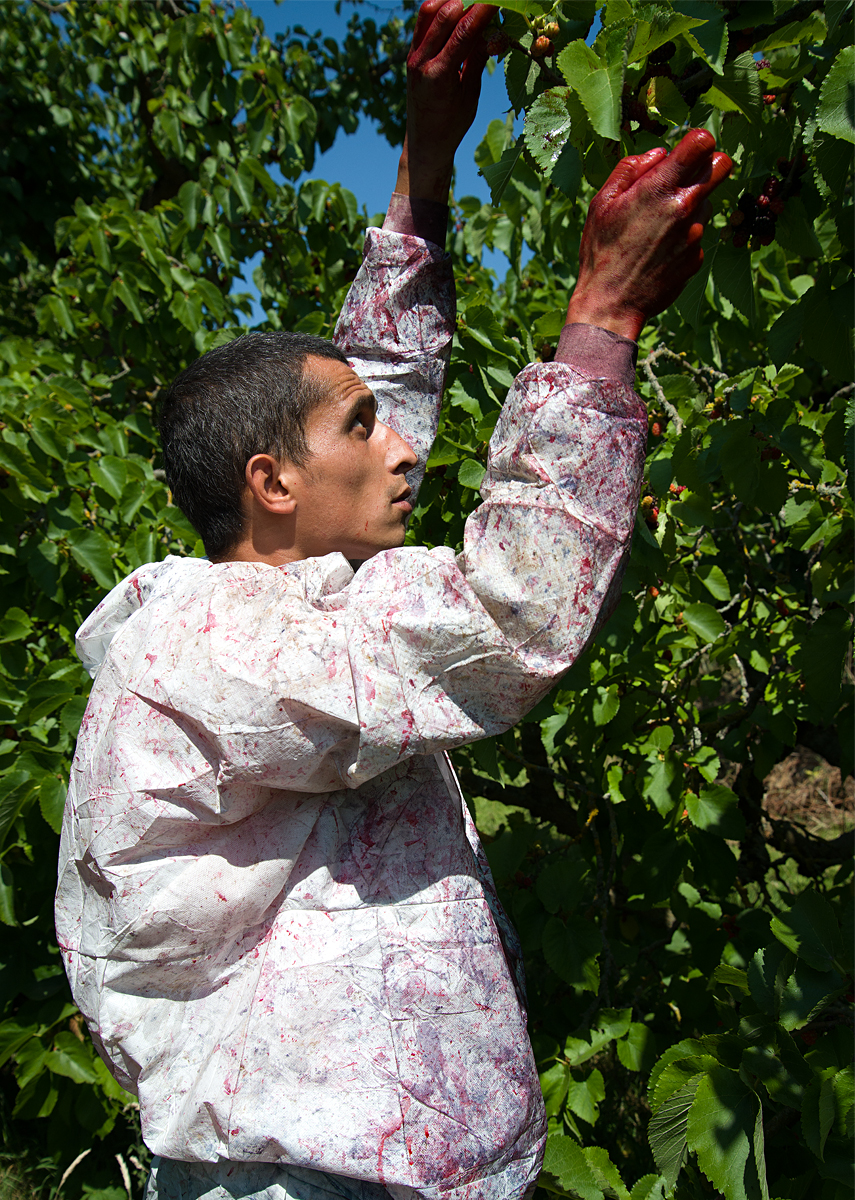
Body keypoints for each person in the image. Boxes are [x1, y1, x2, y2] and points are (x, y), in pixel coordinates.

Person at [55, 3, 732, 1199]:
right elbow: (509, 617)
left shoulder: (310, 603)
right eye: (360, 431)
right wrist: (601, 323)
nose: (403, 449)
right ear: (271, 485)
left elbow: (391, 383)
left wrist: (426, 158)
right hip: (304, 1178)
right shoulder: (206, 641)